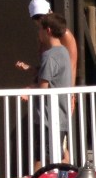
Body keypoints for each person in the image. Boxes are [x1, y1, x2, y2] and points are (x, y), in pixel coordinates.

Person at [29, 13, 73, 168]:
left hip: (47, 118)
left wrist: (28, 91)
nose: (38, 32)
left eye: (40, 29)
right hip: (61, 116)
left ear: (47, 30)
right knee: (59, 152)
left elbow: (43, 87)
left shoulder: (49, 56)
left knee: (42, 156)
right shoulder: (63, 52)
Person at [26, 0, 78, 88]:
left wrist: (71, 93)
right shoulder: (42, 35)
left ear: (50, 13)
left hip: (60, 89)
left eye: (42, 16)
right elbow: (48, 68)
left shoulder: (64, 34)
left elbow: (72, 65)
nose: (40, 20)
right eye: (36, 17)